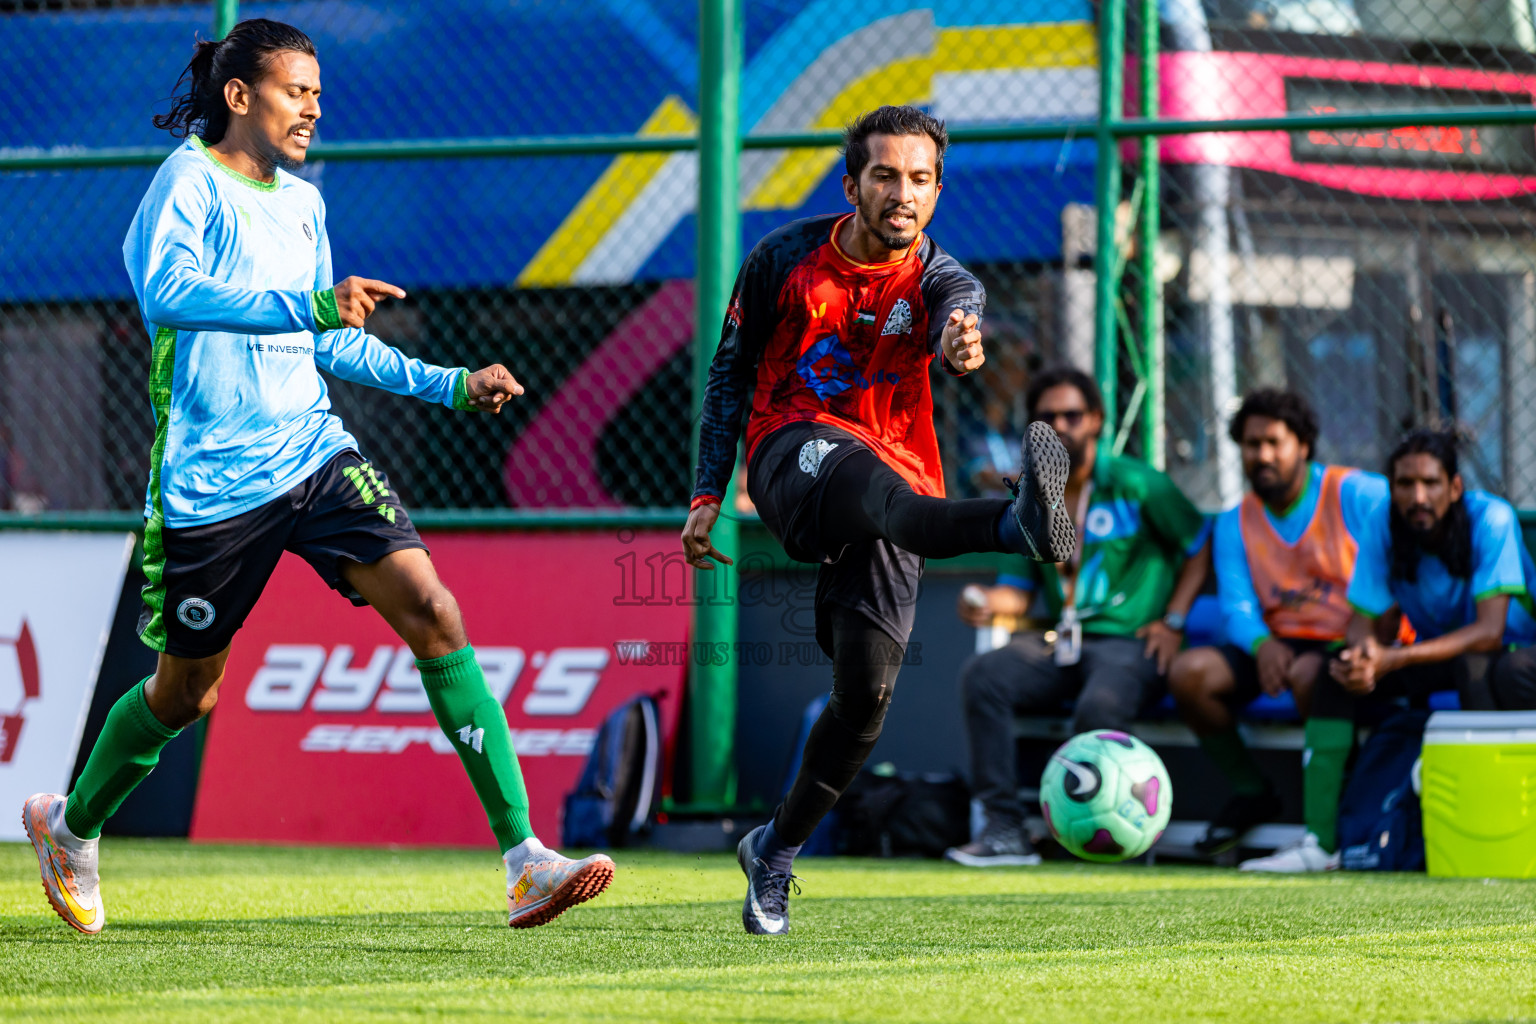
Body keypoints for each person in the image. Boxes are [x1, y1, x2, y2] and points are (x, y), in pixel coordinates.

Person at [21, 20, 612, 935]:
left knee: (434, 610)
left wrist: (449, 385)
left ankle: (524, 860)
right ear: (239, 96)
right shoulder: (186, 181)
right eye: (297, 91)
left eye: (318, 95)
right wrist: (306, 304)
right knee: (188, 692)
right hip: (211, 486)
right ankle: (72, 828)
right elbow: (163, 292)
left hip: (313, 452)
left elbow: (329, 336)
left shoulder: (302, 202)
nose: (313, 109)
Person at [680, 105, 1075, 935]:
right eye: (887, 175)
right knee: (887, 496)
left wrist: (962, 342)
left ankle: (773, 855)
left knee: (866, 698)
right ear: (851, 182)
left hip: (900, 488)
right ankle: (1017, 526)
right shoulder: (782, 259)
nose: (904, 193)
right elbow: (728, 378)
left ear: (939, 189)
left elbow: (957, 313)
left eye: (922, 179)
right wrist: (707, 496)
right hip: (795, 454)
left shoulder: (940, 276)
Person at [944, 366, 1210, 867]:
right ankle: (1004, 832)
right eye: (1048, 417)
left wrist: (1173, 621)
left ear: (1096, 421)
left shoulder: (1138, 483)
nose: (1061, 425)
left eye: (1073, 414)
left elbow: (1200, 547)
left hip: (1130, 645)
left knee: (1099, 706)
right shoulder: (1030, 500)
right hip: (1061, 640)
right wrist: (983, 601)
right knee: (985, 676)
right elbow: (1018, 594)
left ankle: (1094, 839)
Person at [1168, 388, 1388, 869]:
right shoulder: (1233, 522)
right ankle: (1252, 792)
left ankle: (1329, 827)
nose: (1261, 455)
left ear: (1303, 445)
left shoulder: (1355, 492)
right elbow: (1236, 608)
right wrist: (1260, 644)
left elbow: (1400, 541)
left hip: (1352, 639)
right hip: (1278, 643)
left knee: (1313, 675)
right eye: (1251, 444)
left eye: (1273, 442)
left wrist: (1368, 619)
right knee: (1190, 674)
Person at [1325, 429, 1536, 718]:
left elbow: (1489, 633)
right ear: (1391, 489)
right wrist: (1365, 657)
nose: (1418, 497)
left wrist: (1395, 657)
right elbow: (1362, 625)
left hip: (1509, 649)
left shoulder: (1492, 519)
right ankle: (1337, 764)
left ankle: (1483, 764)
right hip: (1435, 653)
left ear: (1455, 488)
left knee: (1475, 668)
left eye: (1430, 483)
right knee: (1333, 670)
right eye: (1405, 484)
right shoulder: (1381, 521)